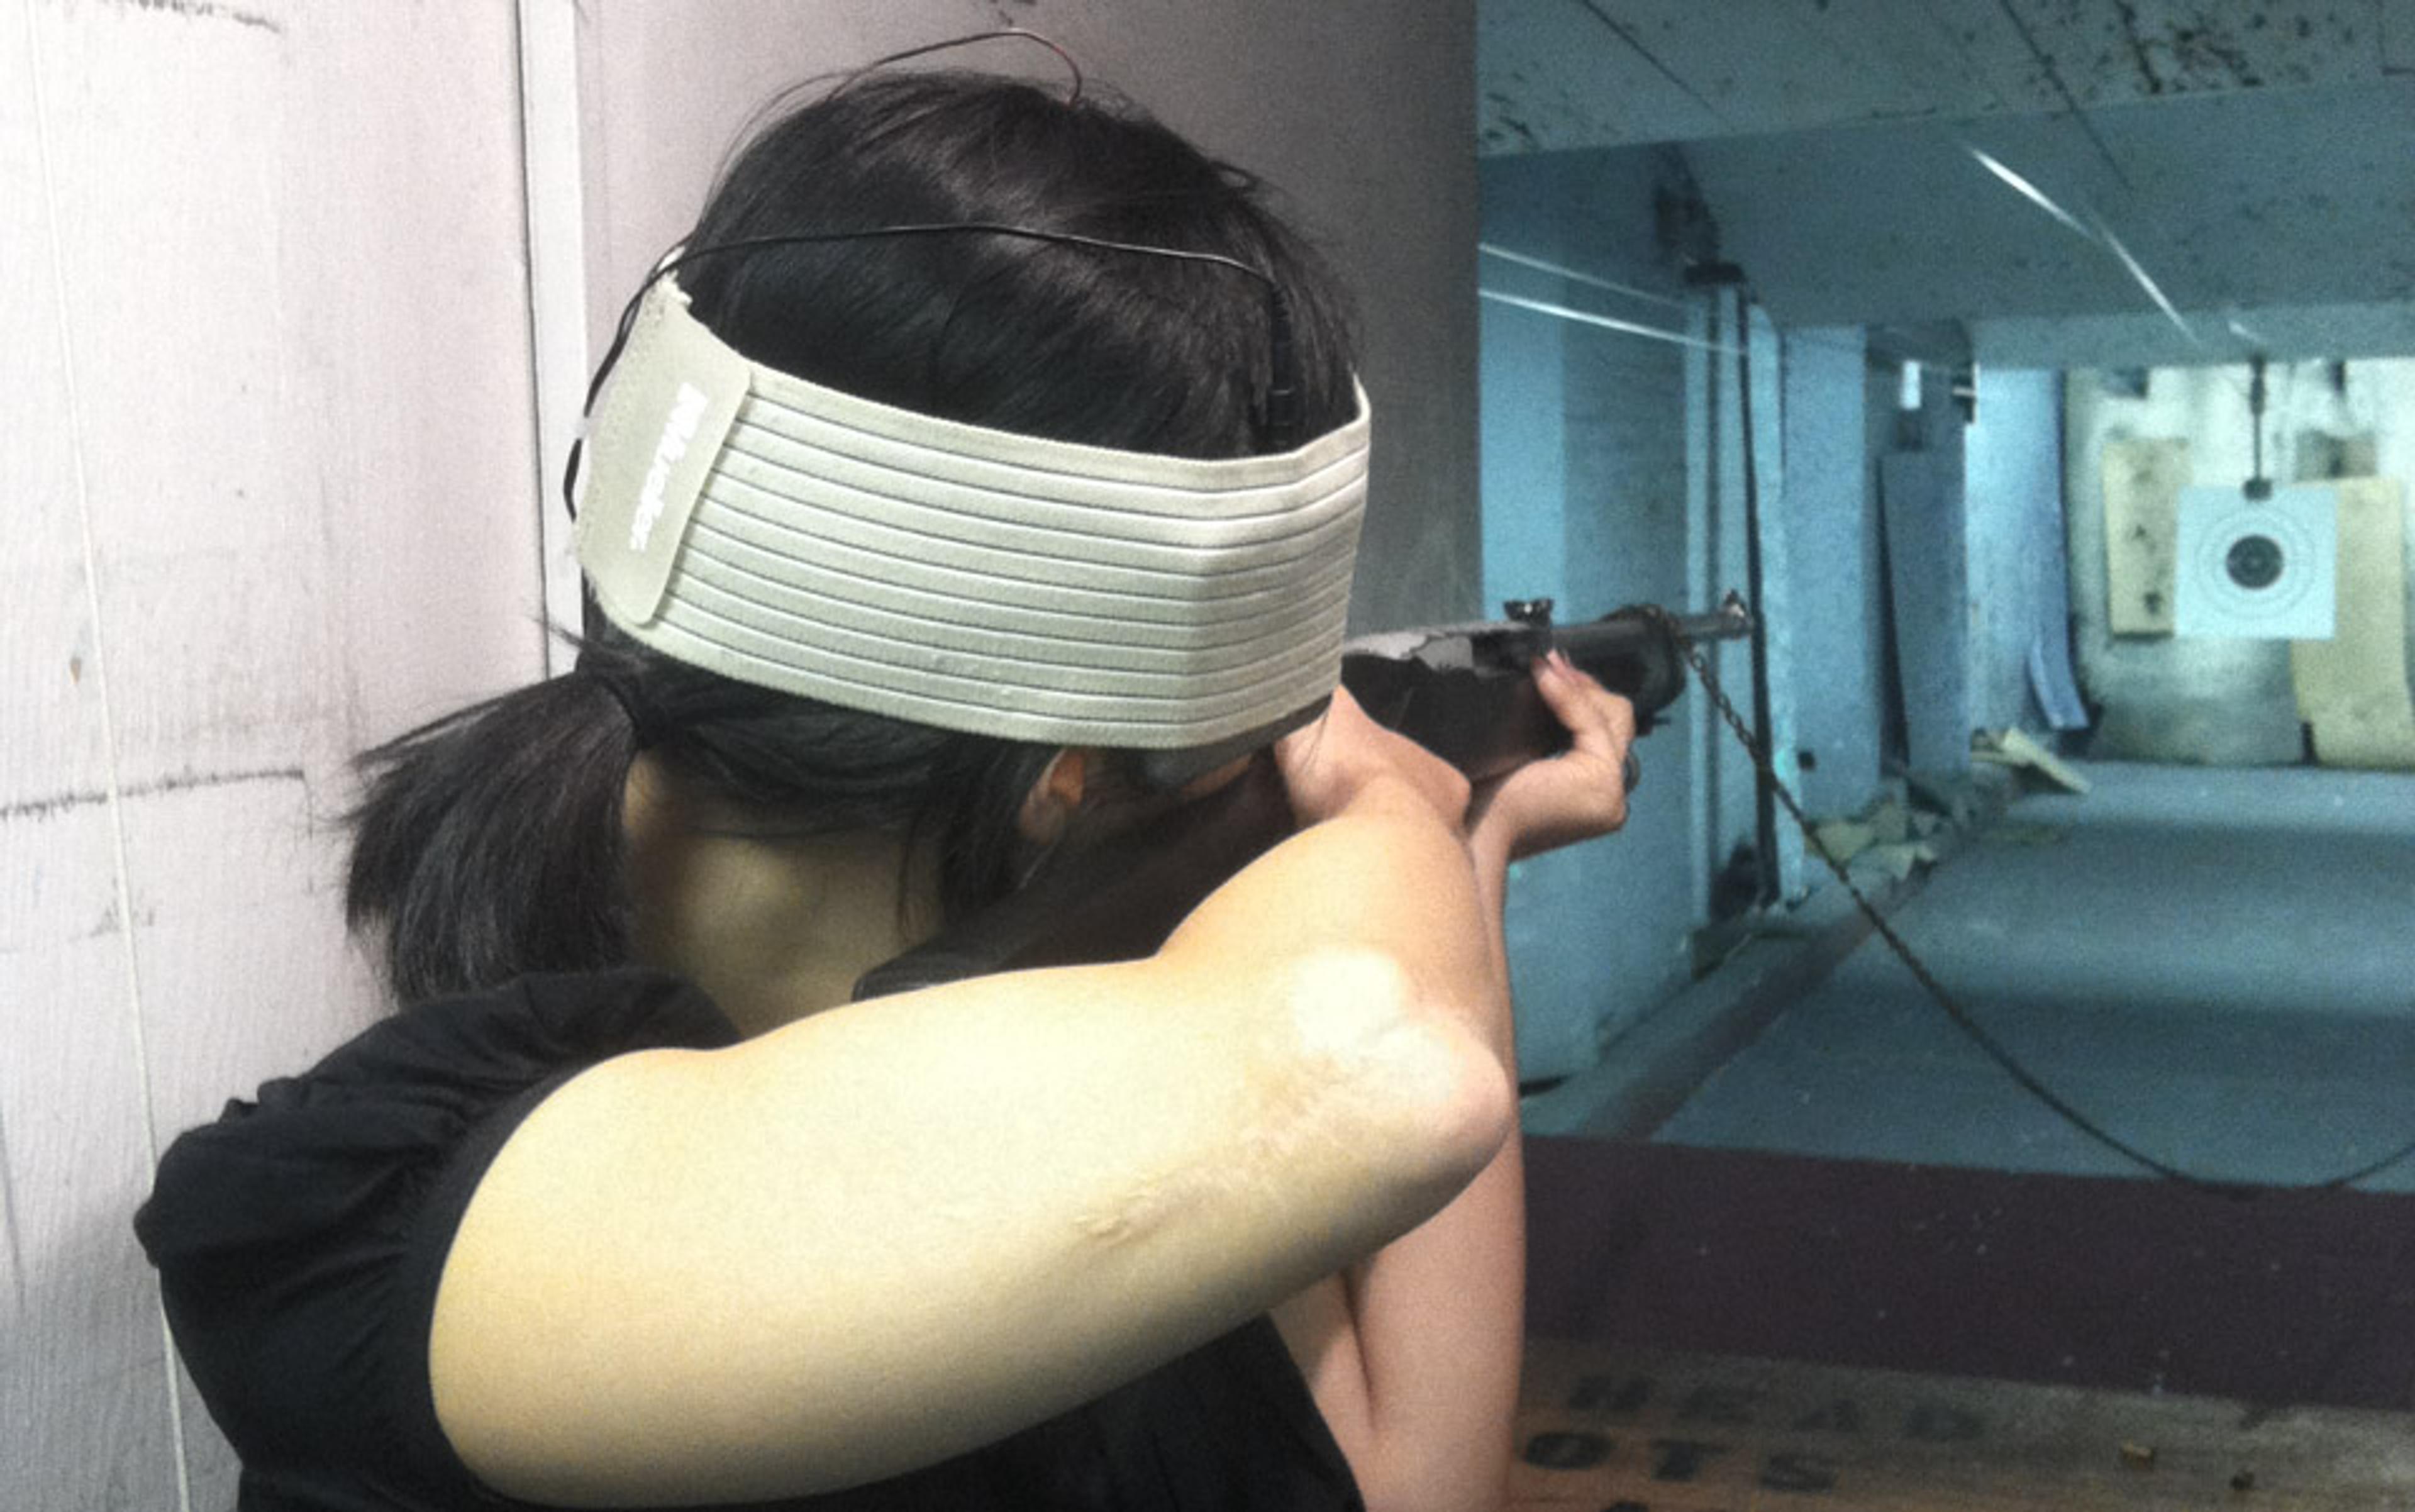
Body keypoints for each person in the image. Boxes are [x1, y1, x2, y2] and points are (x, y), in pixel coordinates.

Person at [135, 59, 1634, 1512]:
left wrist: (1466, 841)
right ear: (1064, 787)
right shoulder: (383, 1223)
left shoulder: (1106, 1110)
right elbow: (1374, 1057)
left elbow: (1409, 1473)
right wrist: (1385, 815)